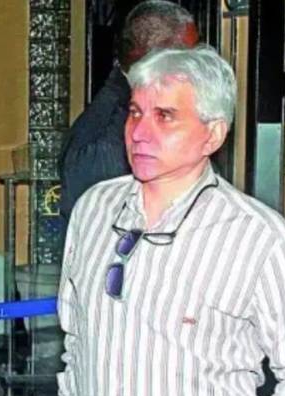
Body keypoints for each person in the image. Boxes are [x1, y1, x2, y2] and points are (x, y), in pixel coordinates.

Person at [57, 45, 285, 396]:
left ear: (213, 135)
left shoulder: (258, 236)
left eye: (165, 116)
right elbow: (75, 331)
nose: (139, 133)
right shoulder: (94, 208)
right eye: (135, 113)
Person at [58, 0, 199, 236]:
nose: (200, 67)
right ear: (159, 57)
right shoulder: (109, 141)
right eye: (191, 58)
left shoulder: (120, 107)